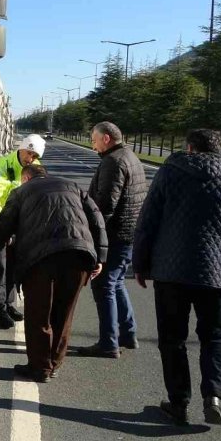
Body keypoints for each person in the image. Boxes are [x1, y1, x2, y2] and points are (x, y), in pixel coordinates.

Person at [133, 129, 221, 426]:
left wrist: (139, 264)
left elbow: (147, 221)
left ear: (190, 148)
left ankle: (179, 402)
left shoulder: (169, 174)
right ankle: (213, 396)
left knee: (172, 338)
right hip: (220, 274)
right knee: (215, 336)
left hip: (171, 272)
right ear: (220, 150)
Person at [0, 165, 106, 382]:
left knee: (39, 314)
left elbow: (3, 228)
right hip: (78, 256)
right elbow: (97, 219)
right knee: (64, 314)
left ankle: (40, 367)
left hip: (39, 260)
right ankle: (54, 364)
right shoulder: (73, 186)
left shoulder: (21, 193)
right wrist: (100, 257)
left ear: (26, 178)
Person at [74, 122, 146, 358]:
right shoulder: (129, 156)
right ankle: (128, 333)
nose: (92, 145)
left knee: (104, 285)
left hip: (114, 234)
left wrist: (92, 233)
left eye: (94, 140)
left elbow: (105, 205)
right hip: (128, 233)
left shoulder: (113, 162)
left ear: (106, 138)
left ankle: (108, 343)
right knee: (116, 283)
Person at [0, 133, 46, 329]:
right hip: (1, 221)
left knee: (15, 265)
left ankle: (9, 303)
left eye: (35, 156)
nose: (31, 159)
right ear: (22, 148)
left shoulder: (35, 168)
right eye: (29, 153)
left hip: (21, 224)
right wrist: (3, 227)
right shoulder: (5, 165)